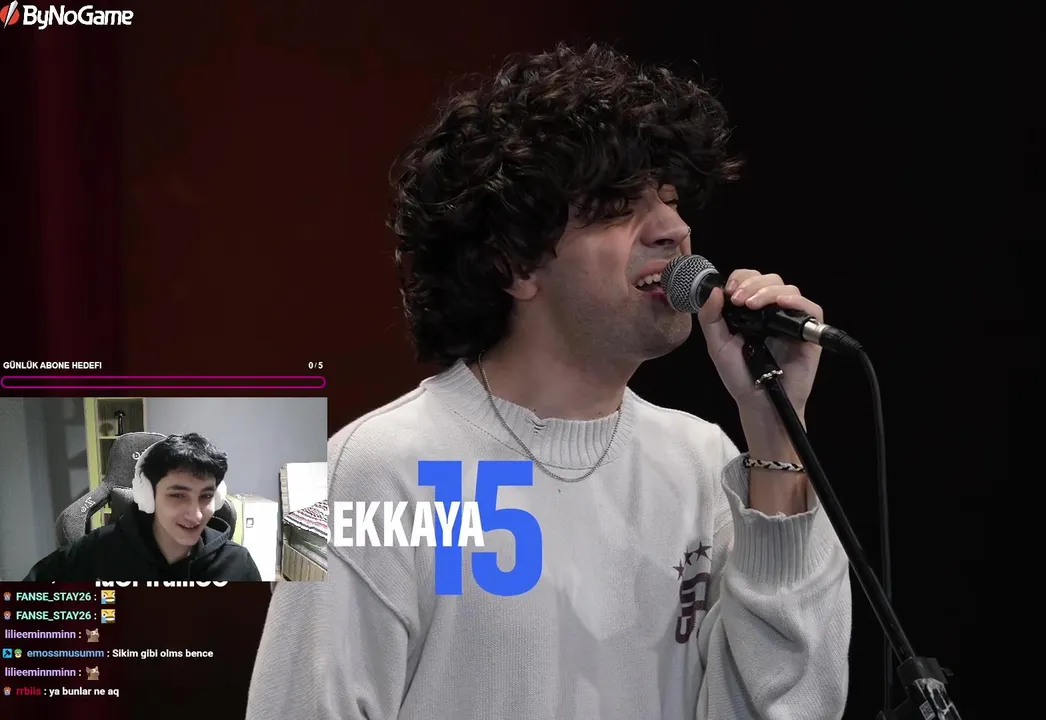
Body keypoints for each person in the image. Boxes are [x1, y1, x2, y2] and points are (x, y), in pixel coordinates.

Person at [247, 43, 851, 719]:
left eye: (673, 200)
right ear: (514, 264)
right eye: (619, 204)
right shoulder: (359, 470)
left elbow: (793, 707)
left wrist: (775, 429)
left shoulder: (703, 460)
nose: (675, 229)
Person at [24, 433, 261, 582]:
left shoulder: (237, 564)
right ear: (148, 496)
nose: (196, 514)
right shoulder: (96, 553)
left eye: (206, 496)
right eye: (178, 495)